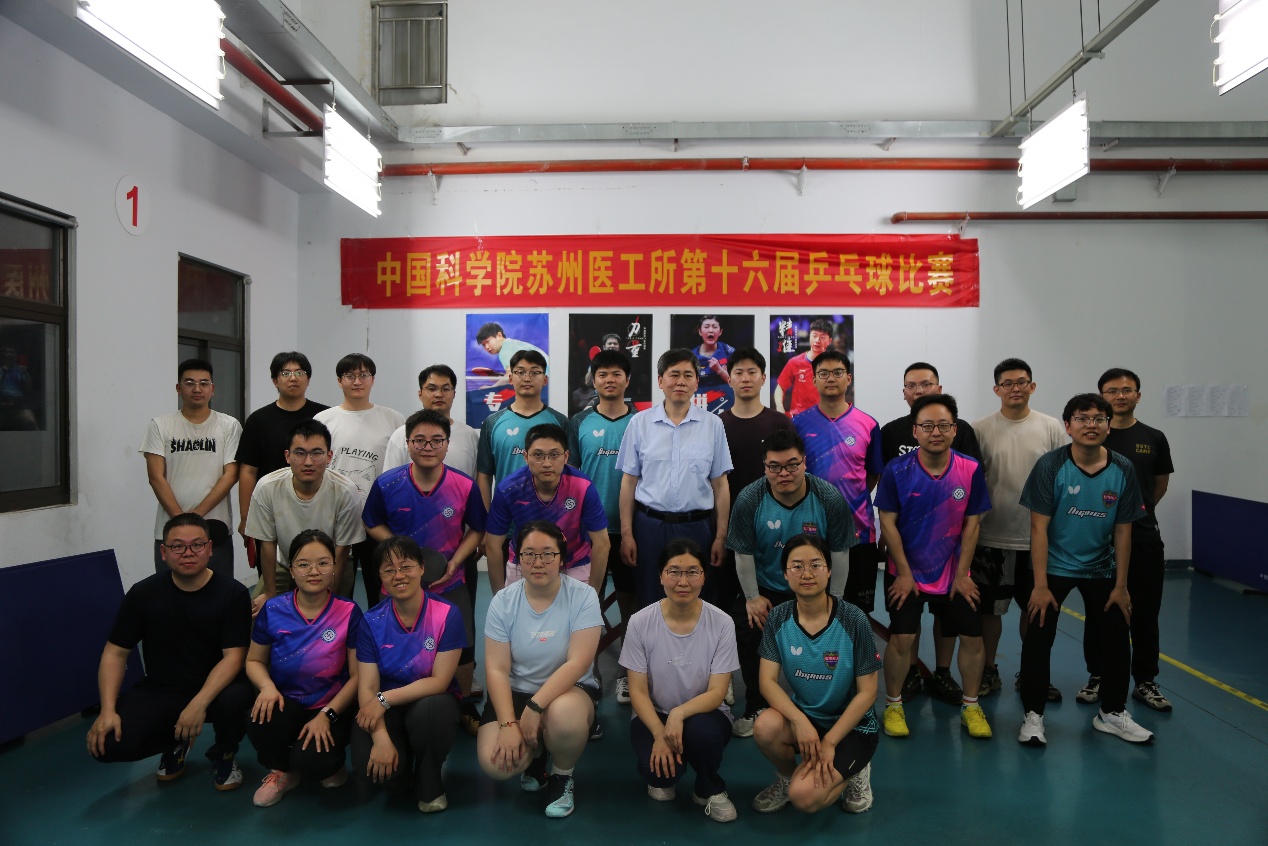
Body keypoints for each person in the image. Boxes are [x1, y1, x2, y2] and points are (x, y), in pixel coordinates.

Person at [1016, 393, 1152, 746]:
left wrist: (1121, 586)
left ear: (1108, 426)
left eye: (1098, 419)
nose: (1090, 425)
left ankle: (1112, 712)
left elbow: (1123, 530)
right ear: (1068, 426)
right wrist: (1040, 585)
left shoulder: (1123, 468)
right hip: (1054, 567)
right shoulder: (1051, 466)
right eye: (1082, 418)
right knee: (1038, 638)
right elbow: (1038, 528)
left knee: (1117, 638)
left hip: (1102, 568)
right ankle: (1033, 715)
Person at [87, 514, 253, 791]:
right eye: (178, 546)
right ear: (163, 552)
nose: (188, 553)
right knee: (108, 744)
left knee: (236, 699)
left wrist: (198, 703)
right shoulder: (143, 594)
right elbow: (115, 653)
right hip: (164, 687)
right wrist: (107, 710)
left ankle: (224, 752)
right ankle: (176, 741)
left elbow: (234, 657)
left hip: (218, 687)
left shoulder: (232, 593)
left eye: (197, 545)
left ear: (210, 549)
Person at [874, 394, 993, 740]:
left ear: (955, 429)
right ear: (915, 431)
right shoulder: (897, 471)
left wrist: (962, 574)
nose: (935, 432)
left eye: (943, 425)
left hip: (954, 572)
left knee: (972, 638)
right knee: (902, 637)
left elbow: (973, 524)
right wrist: (904, 574)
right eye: (927, 426)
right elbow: (887, 522)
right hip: (906, 572)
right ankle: (893, 705)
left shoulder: (970, 469)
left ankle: (971, 706)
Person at [726, 428, 855, 739]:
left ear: (805, 463)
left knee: (835, 636)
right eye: (774, 467)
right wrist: (752, 598)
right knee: (748, 626)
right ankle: (756, 705)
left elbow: (840, 553)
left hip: (814, 587)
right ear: (765, 467)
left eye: (792, 465)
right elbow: (743, 553)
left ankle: (826, 708)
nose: (783, 473)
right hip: (767, 587)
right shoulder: (749, 499)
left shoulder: (828, 498)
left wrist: (835, 601)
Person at [363, 409, 486, 733]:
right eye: (419, 440)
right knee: (393, 644)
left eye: (436, 440)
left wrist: (456, 561)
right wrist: (399, 555)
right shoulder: (387, 484)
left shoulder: (464, 485)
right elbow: (371, 521)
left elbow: (477, 529)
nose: (428, 447)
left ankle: (462, 704)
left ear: (447, 444)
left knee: (463, 645)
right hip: (398, 583)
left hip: (449, 580)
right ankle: (394, 700)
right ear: (407, 443)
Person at [476, 521, 603, 818]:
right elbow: (496, 669)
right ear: (517, 558)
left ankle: (562, 775)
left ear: (561, 557)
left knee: (564, 717)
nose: (538, 562)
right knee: (496, 764)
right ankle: (536, 756)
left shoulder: (583, 597)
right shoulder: (503, 602)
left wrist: (535, 708)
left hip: (568, 692)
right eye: (529, 554)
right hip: (516, 690)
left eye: (547, 554)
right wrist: (508, 725)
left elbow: (578, 663)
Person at [751, 535, 881, 815]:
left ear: (829, 570)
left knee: (805, 797)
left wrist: (831, 741)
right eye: (797, 566)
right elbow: (767, 682)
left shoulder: (854, 619)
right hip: (808, 718)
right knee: (764, 726)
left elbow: (868, 692)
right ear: (785, 573)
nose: (807, 574)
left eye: (815, 565)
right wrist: (800, 721)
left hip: (852, 727)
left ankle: (856, 771)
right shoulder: (778, 618)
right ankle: (787, 779)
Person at [619, 538, 740, 823]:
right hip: (654, 714)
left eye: (692, 572)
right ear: (661, 576)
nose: (683, 581)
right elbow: (637, 692)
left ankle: (709, 787)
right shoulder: (639, 622)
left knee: (703, 734)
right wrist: (660, 733)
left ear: (704, 577)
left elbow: (717, 692)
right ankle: (666, 768)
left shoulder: (722, 623)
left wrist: (679, 714)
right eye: (674, 571)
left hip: (704, 713)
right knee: (661, 776)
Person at [970, 358, 1067, 699]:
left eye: (1022, 382)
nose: (1015, 388)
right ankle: (988, 670)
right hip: (991, 537)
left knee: (1035, 610)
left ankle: (1032, 673)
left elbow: (1062, 479)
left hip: (1038, 540)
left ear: (1032, 386)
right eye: (1008, 383)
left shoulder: (1051, 428)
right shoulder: (979, 429)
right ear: (996, 389)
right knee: (990, 611)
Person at [245, 529, 362, 807]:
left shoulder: (349, 611)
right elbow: (254, 661)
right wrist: (267, 687)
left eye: (323, 563)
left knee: (313, 761)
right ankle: (282, 771)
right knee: (258, 718)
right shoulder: (273, 609)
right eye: (303, 564)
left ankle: (330, 765)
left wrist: (327, 714)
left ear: (334, 566)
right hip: (286, 702)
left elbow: (358, 676)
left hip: (332, 706)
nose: (314, 571)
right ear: (291, 569)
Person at [353, 537, 467, 812]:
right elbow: (367, 687)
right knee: (378, 772)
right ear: (380, 577)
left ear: (421, 568)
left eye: (406, 566)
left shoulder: (447, 614)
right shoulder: (370, 621)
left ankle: (429, 776)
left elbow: (439, 681)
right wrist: (380, 738)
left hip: (428, 701)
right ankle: (401, 771)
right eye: (389, 570)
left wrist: (383, 699)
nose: (399, 575)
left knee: (434, 710)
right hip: (387, 708)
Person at [1087, 367, 1176, 712]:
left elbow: (1159, 484)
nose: (1120, 396)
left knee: (1145, 613)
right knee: (1099, 612)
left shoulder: (1154, 437)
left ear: (1138, 395)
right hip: (1099, 541)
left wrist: (1138, 512)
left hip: (1143, 539)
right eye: (1112, 390)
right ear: (1101, 396)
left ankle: (1145, 680)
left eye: (1127, 390)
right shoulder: (1093, 436)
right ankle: (1098, 675)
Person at [618, 348, 733, 610]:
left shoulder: (713, 425)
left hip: (697, 528)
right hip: (649, 527)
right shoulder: (639, 423)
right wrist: (627, 534)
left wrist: (720, 536)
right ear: (660, 381)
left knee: (697, 601)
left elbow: (720, 485)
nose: (681, 381)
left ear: (697, 382)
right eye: (674, 374)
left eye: (688, 375)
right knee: (650, 600)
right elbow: (628, 482)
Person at [568, 349, 638, 704]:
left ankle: (628, 673)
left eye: (616, 374)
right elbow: (571, 477)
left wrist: (629, 531)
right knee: (587, 605)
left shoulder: (641, 421)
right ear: (593, 381)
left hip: (630, 531)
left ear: (627, 380)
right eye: (602, 374)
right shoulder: (579, 422)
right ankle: (587, 673)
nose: (609, 380)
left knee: (631, 605)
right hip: (588, 533)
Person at [792, 349, 884, 614]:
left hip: (858, 531)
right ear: (814, 380)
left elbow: (873, 473)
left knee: (855, 612)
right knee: (812, 608)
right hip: (811, 531)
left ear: (848, 378)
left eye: (837, 373)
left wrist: (848, 500)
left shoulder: (868, 424)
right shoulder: (798, 424)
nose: (830, 378)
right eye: (823, 373)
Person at [245, 420, 365, 613]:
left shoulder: (345, 491)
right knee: (257, 614)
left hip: (332, 563)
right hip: (285, 562)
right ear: (287, 456)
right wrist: (269, 593)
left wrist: (328, 599)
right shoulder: (267, 487)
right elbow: (267, 543)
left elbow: (342, 550)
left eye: (316, 453)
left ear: (329, 456)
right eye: (300, 453)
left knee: (333, 619)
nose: (308, 462)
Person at [315, 353, 406, 603]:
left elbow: (401, 470)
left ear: (373, 379)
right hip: (334, 518)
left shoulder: (394, 419)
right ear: (339, 380)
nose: (357, 381)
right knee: (334, 592)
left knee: (381, 591)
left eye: (364, 375)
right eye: (350, 376)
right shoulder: (323, 420)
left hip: (377, 520)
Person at [140, 359, 241, 578]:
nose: (197, 389)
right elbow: (156, 477)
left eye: (204, 383)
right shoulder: (159, 425)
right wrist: (180, 521)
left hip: (215, 530)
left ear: (212, 389)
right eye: (189, 383)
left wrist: (195, 517)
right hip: (171, 532)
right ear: (178, 388)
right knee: (170, 594)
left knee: (219, 594)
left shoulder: (229, 425)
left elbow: (231, 474)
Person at [485, 423, 609, 595]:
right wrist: (499, 598)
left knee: (577, 612)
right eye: (538, 455)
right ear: (525, 456)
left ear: (566, 456)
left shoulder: (583, 487)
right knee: (517, 611)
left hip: (574, 561)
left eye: (554, 455)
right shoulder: (509, 489)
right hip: (524, 561)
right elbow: (493, 545)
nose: (547, 463)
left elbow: (602, 543)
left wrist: (592, 595)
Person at [718, 347, 794, 622]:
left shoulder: (780, 423)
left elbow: (794, 474)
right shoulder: (717, 425)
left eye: (752, 372)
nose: (746, 378)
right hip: (730, 526)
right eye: (739, 372)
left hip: (775, 527)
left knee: (775, 604)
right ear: (729, 379)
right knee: (727, 605)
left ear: (763, 378)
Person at [235, 352, 329, 561]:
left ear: (308, 379)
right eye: (285, 373)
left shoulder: (324, 417)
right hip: (271, 510)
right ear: (275, 380)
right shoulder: (258, 420)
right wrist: (246, 517)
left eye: (299, 372)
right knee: (272, 572)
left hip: (318, 508)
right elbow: (248, 470)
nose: (293, 378)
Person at [475, 348, 569, 509]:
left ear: (545, 379)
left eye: (534, 372)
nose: (527, 378)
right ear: (510, 378)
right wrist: (486, 518)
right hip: (505, 518)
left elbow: (569, 473)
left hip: (550, 517)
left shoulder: (560, 422)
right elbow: (484, 474)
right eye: (520, 372)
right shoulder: (492, 423)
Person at [384, 364, 478, 476]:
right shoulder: (401, 434)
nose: (439, 394)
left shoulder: (469, 435)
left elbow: (476, 481)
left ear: (454, 394)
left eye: (446, 389)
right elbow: (390, 481)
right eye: (432, 389)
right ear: (420, 394)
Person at [773, 318, 834, 417]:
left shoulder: (833, 365)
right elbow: (780, 387)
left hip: (824, 419)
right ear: (810, 336)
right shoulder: (795, 362)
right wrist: (780, 407)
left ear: (829, 341)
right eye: (814, 335)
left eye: (822, 337)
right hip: (798, 418)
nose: (817, 340)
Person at [476, 322, 550, 385]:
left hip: (545, 383)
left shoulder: (506, 350)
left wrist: (492, 388)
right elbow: (516, 376)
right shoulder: (513, 344)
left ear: (499, 335)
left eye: (488, 341)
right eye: (483, 345)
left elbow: (510, 376)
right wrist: (500, 377)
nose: (487, 347)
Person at [691, 315, 735, 413]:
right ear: (700, 331)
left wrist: (720, 370)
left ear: (720, 332)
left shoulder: (729, 352)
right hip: (701, 402)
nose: (711, 330)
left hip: (726, 401)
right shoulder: (691, 357)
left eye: (714, 327)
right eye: (706, 327)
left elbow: (737, 383)